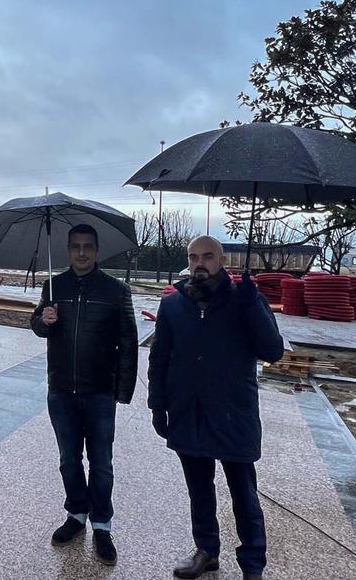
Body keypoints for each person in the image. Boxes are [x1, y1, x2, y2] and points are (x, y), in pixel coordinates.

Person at [147, 235, 284, 580]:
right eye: (193, 257)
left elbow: (273, 351)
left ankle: (253, 563)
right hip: (188, 411)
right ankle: (206, 550)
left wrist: (253, 305)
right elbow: (160, 357)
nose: (199, 264)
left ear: (222, 261)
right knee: (199, 489)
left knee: (243, 493)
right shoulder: (174, 304)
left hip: (232, 413)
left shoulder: (245, 301)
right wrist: (157, 405)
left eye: (207, 257)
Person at [30, 223, 138, 565]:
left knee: (102, 463)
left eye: (87, 246)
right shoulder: (53, 286)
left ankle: (102, 524)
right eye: (75, 246)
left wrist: (122, 391)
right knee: (68, 460)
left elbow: (129, 344)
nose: (81, 252)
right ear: (67, 250)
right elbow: (37, 327)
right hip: (61, 390)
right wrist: (42, 320)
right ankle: (76, 514)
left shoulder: (116, 290)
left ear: (96, 250)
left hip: (100, 392)